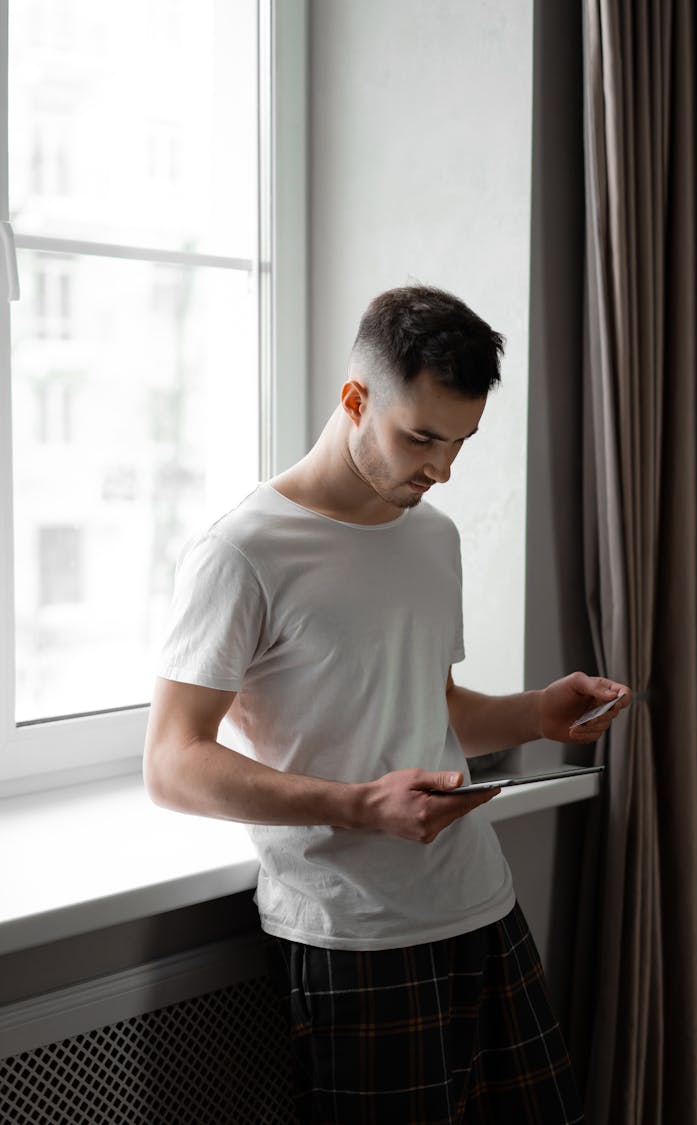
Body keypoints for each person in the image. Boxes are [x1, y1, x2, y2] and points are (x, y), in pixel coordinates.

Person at [143, 283, 630, 1124]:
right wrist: (360, 806)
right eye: (423, 438)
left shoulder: (432, 536)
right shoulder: (240, 551)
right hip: (355, 937)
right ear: (355, 399)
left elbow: (430, 704)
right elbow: (171, 763)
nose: (441, 469)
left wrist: (536, 712)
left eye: (462, 441)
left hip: (484, 904)